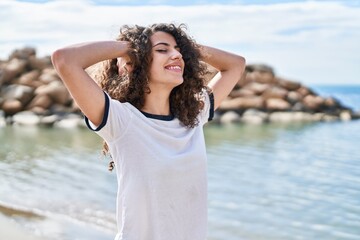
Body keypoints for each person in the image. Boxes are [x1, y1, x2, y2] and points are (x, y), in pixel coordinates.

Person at [51, 23, 245, 240]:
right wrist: (132, 47)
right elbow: (64, 59)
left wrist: (186, 47)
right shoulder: (121, 120)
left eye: (179, 51)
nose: (176, 56)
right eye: (162, 50)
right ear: (133, 63)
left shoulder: (193, 117)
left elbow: (236, 65)